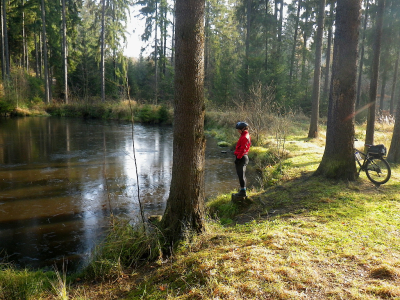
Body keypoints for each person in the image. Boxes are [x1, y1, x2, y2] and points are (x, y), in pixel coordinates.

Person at [234, 121, 251, 197]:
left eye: (239, 129)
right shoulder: (244, 135)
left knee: (241, 175)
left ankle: (243, 192)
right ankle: (242, 190)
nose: (238, 131)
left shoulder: (244, 137)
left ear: (243, 129)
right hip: (242, 156)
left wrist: (238, 158)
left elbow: (243, 149)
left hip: (242, 157)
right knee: (241, 175)